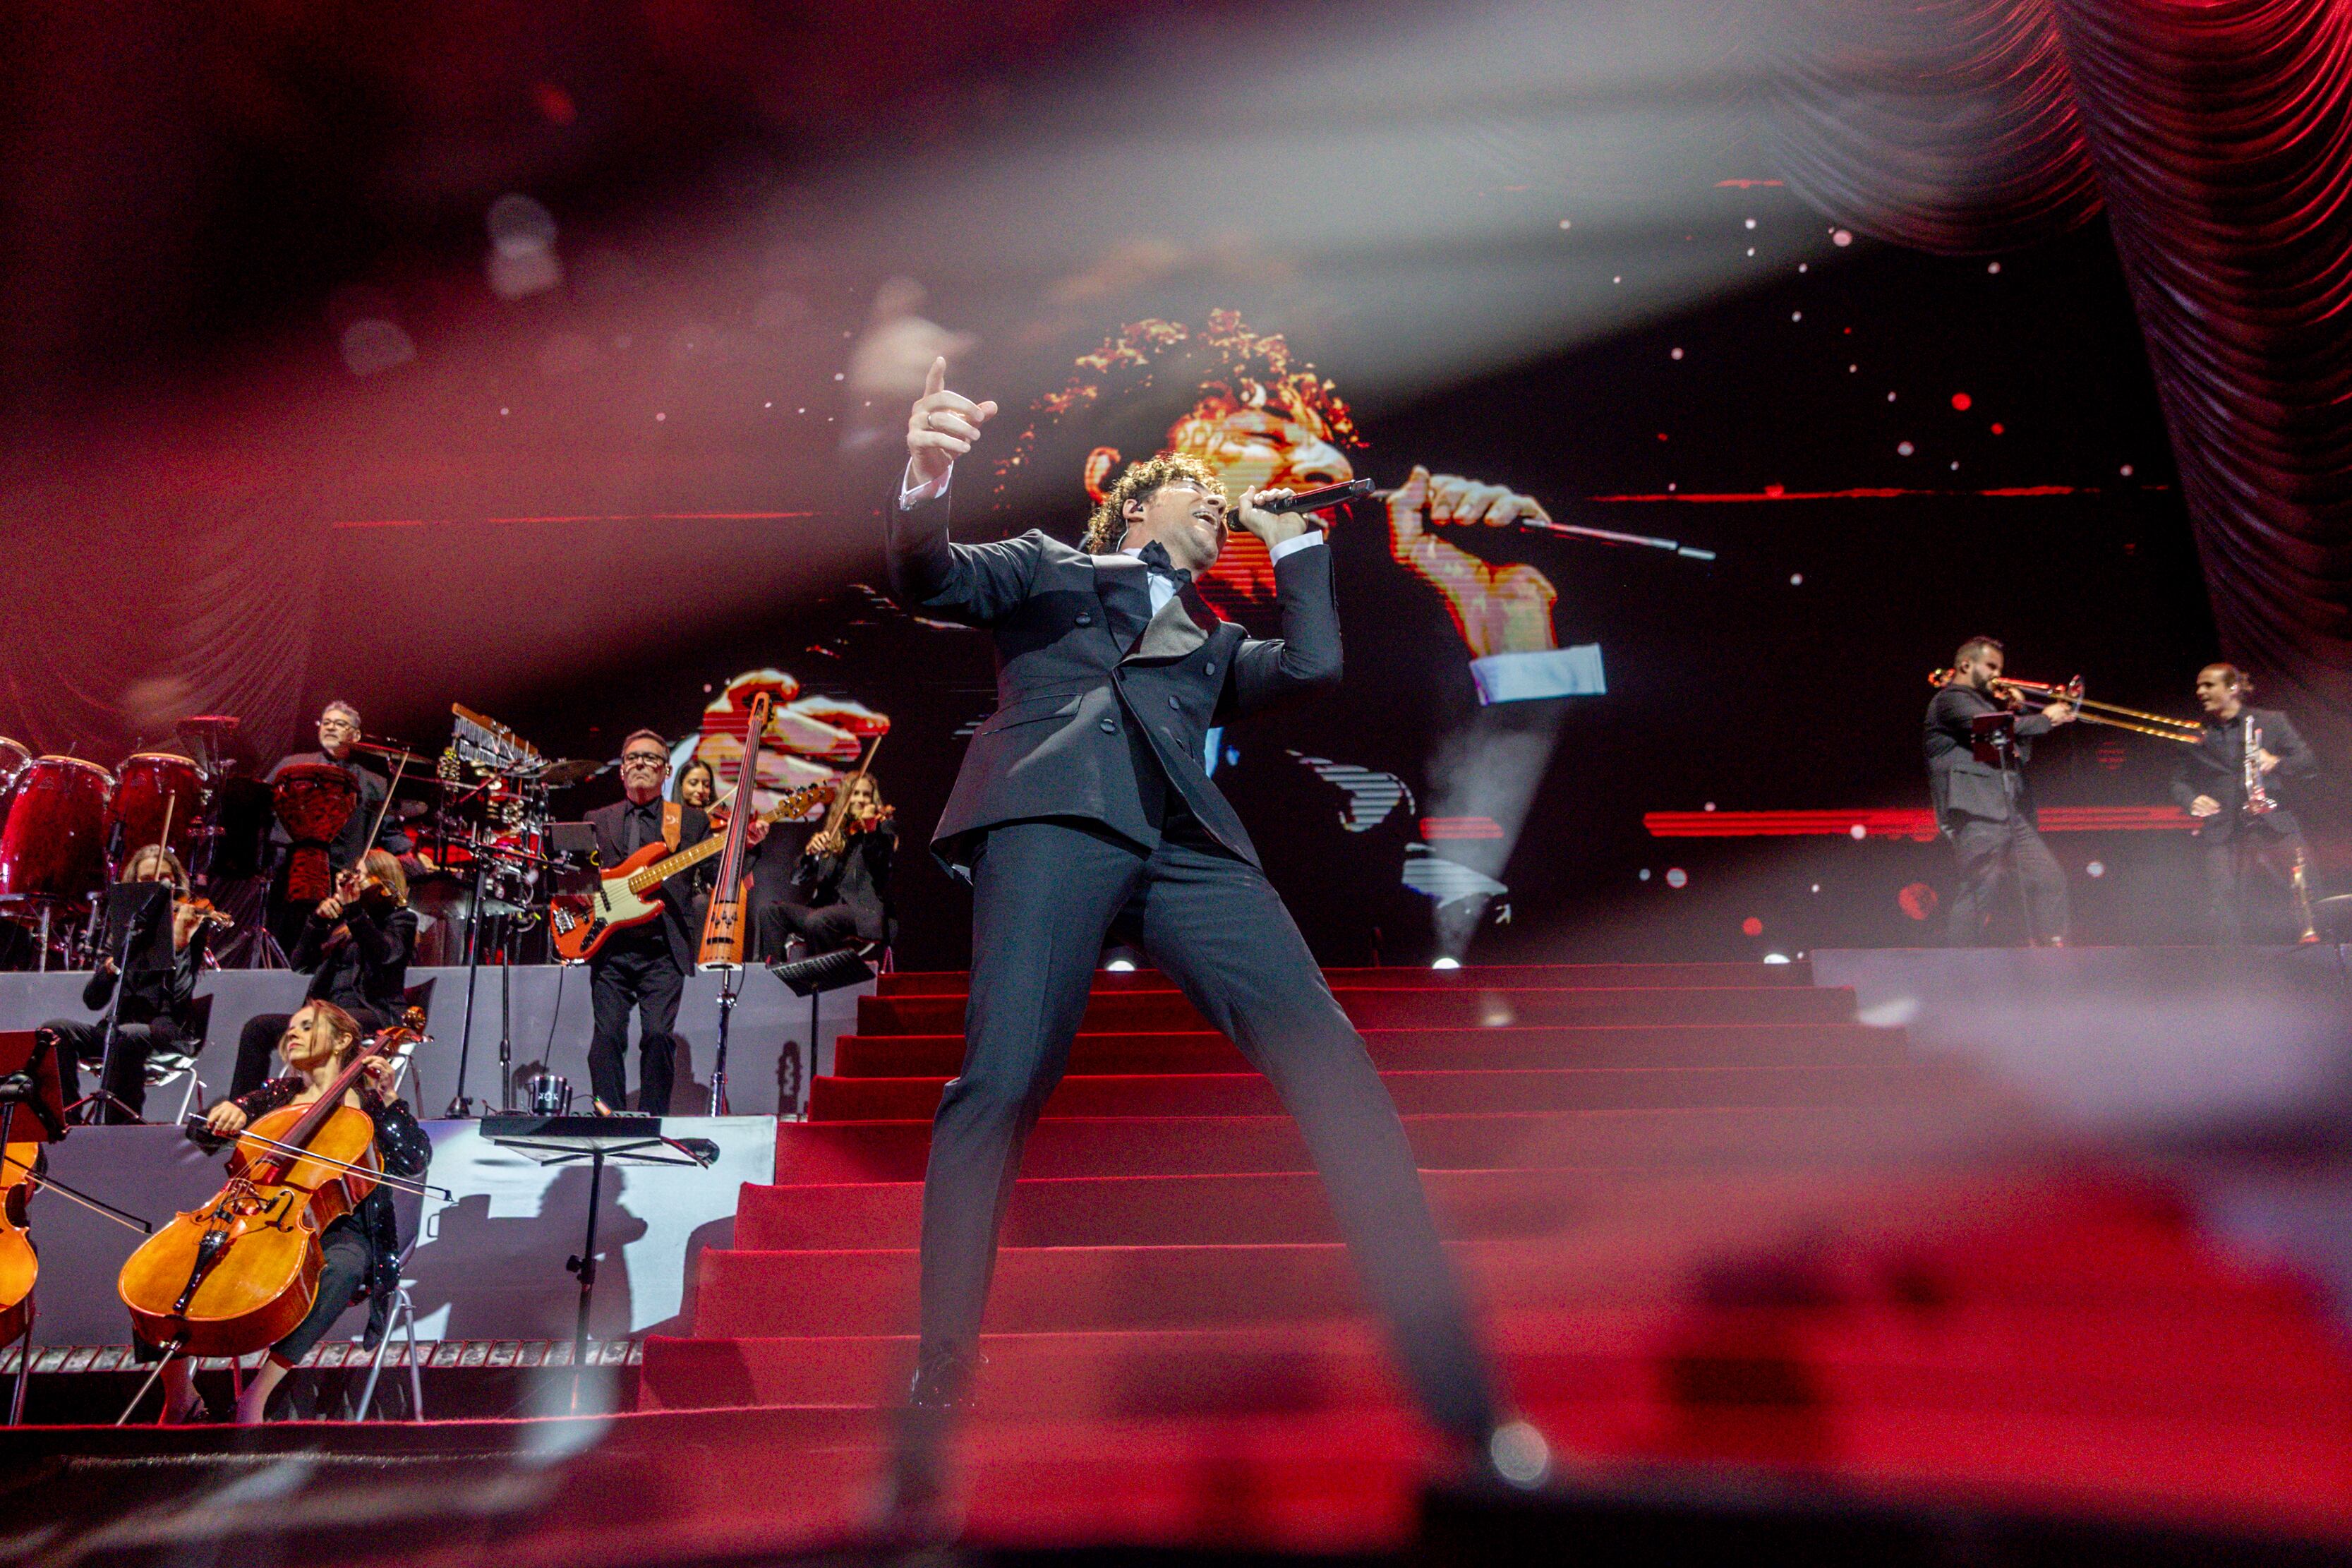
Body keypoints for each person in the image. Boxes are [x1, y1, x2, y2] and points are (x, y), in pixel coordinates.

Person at [880, 357, 1539, 1521]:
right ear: (1136, 504)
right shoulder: (1050, 569)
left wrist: (1297, 549)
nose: (1219, 500)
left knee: (1334, 1069)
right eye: (1200, 487)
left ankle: (1464, 1401)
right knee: (999, 1081)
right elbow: (928, 574)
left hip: (1189, 851)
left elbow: (1316, 668)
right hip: (1054, 814)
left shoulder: (1208, 637)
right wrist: (927, 474)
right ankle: (933, 1399)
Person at [158, 1001, 430, 1423]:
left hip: (342, 1225)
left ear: (343, 1041)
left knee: (342, 1267)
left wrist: (390, 1096)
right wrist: (223, 1116)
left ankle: (256, 1396)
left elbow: (414, 1158)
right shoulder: (280, 1095)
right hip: (256, 1215)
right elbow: (205, 1139)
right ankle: (180, 1393)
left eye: (307, 1026)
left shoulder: (371, 1104)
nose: (292, 1035)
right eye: (291, 1029)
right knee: (171, 1260)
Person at [583, 731, 711, 1115]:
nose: (640, 764)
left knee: (657, 1036)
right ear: (622, 770)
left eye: (651, 759)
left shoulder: (688, 822)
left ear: (667, 770)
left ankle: (653, 1121)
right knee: (605, 1039)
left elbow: (719, 870)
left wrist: (748, 845)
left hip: (662, 948)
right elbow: (576, 881)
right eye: (633, 758)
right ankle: (609, 1122)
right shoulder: (597, 820)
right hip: (610, 948)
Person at [39, 846, 212, 1123]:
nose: (159, 886)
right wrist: (110, 968)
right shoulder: (126, 928)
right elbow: (93, 1000)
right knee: (55, 1031)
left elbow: (180, 996)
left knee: (127, 1036)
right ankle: (64, 1122)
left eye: (167, 879)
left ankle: (117, 1127)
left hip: (168, 1031)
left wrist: (179, 945)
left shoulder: (190, 924)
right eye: (147, 881)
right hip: (116, 1028)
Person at [229, 849, 418, 1099]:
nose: (352, 883)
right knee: (258, 1028)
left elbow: (383, 954)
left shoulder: (401, 920)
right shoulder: (343, 925)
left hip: (374, 1014)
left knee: (326, 1023)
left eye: (359, 876)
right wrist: (317, 922)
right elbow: (301, 965)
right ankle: (242, 1108)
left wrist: (354, 912)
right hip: (328, 1015)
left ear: (382, 879)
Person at [1925, 636, 2076, 946]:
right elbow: (1985, 727)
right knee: (1981, 890)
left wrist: (2018, 712)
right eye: (1991, 666)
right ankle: (1962, 965)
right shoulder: (1950, 699)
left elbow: (2017, 755)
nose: (1999, 675)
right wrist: (2045, 718)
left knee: (2050, 879)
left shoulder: (1988, 708)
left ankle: (2052, 947)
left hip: (2008, 812)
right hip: (1975, 810)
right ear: (1966, 665)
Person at [2173, 663, 2320, 943]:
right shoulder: (2193, 733)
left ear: (2232, 688)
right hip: (2224, 827)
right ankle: (2233, 965)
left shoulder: (2272, 721)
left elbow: (2308, 762)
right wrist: (2192, 799)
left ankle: (2312, 947)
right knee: (2223, 900)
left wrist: (2275, 762)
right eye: (2198, 686)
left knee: (2303, 888)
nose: (2200, 691)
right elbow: (2177, 783)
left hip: (2272, 821)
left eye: (2208, 685)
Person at [265, 701, 413, 951]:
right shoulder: (292, 765)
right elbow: (265, 807)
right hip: (292, 873)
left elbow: (387, 830)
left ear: (356, 735)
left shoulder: (374, 783)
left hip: (343, 880)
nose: (331, 728)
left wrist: (411, 854)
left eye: (340, 724)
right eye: (327, 723)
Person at [759, 773, 897, 960]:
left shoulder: (883, 829)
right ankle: (772, 977)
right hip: (824, 911)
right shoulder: (834, 835)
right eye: (855, 794)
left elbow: (882, 870)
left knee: (818, 920)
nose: (861, 800)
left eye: (866, 795)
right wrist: (810, 855)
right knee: (771, 912)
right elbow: (796, 878)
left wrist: (871, 832)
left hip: (862, 913)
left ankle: (824, 980)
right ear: (844, 799)